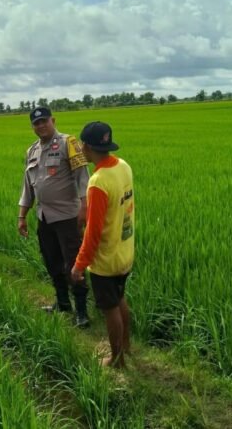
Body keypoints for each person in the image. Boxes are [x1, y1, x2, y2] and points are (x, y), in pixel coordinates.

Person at [18, 106, 91, 328]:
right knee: (52, 262)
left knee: (73, 263)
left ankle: (82, 311)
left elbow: (82, 178)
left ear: (53, 120)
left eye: (44, 121)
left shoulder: (68, 143)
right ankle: (62, 303)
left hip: (68, 216)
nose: (40, 126)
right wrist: (22, 215)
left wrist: (84, 207)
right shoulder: (32, 151)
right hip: (45, 217)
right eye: (36, 123)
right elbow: (28, 187)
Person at [71, 121, 135, 367]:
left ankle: (117, 359)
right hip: (125, 251)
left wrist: (79, 265)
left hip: (106, 259)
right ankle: (126, 347)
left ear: (87, 146)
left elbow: (93, 232)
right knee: (119, 299)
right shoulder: (123, 166)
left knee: (110, 308)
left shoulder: (98, 182)